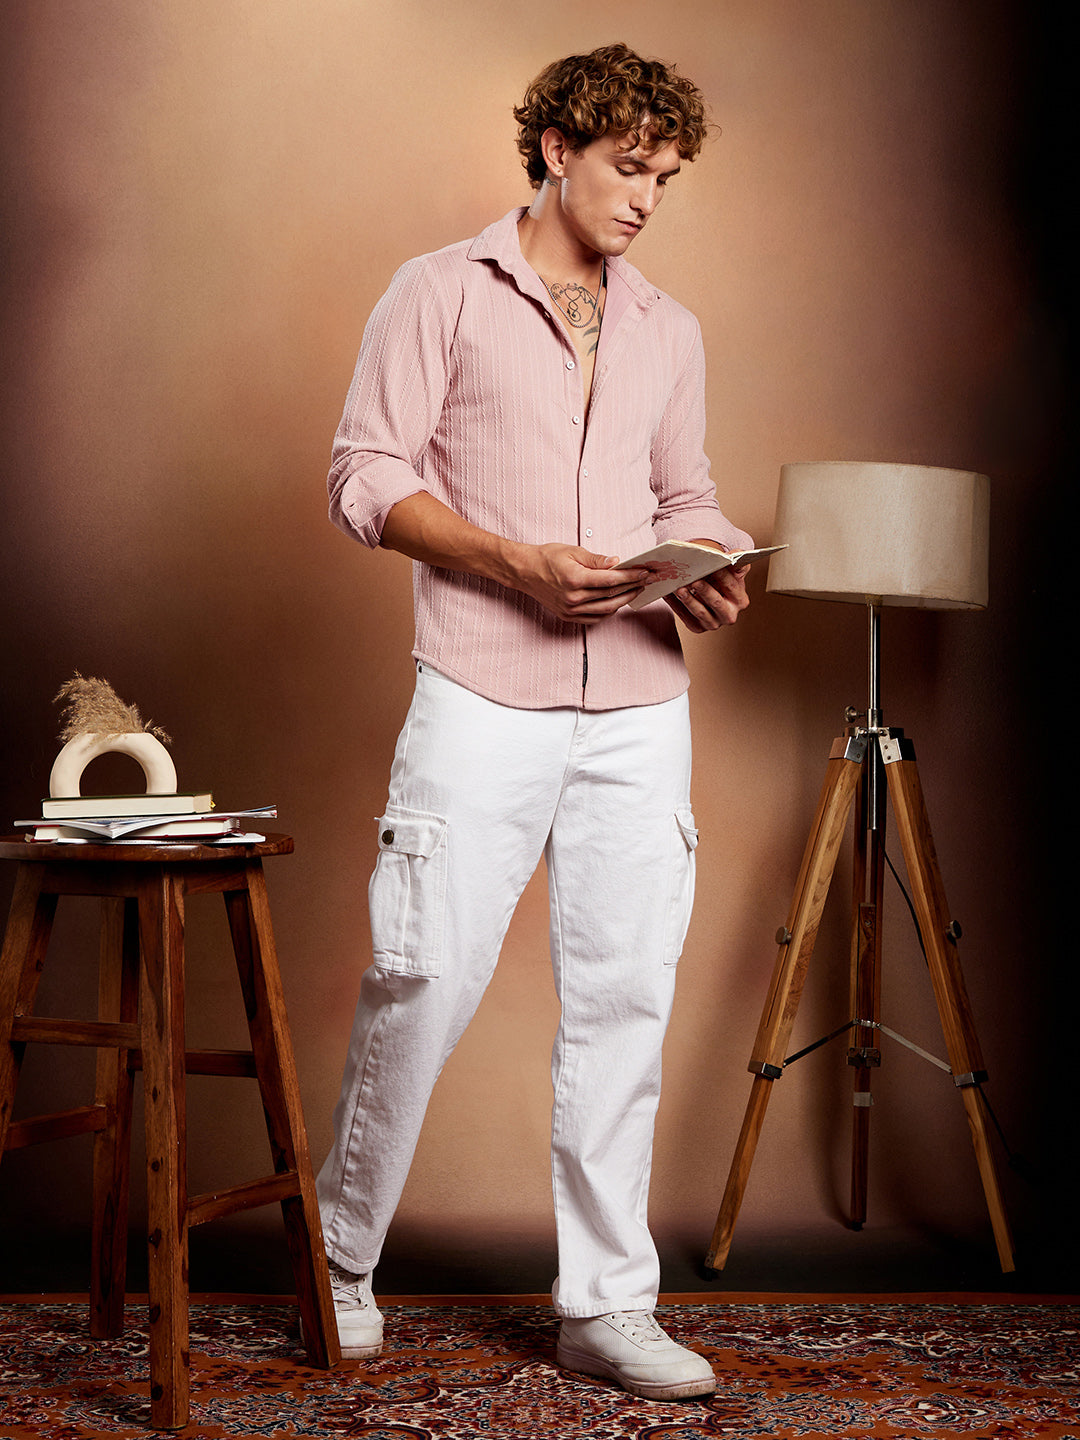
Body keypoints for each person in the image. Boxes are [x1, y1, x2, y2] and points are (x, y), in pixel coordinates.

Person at [316, 42, 753, 1402]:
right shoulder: (438, 291)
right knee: (423, 975)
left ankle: (608, 1307)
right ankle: (337, 1261)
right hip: (478, 686)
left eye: (667, 175)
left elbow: (684, 489)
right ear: (558, 149)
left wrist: (713, 559)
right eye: (630, 165)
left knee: (626, 998)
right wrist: (514, 564)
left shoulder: (669, 328)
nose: (647, 197)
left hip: (638, 704)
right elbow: (362, 475)